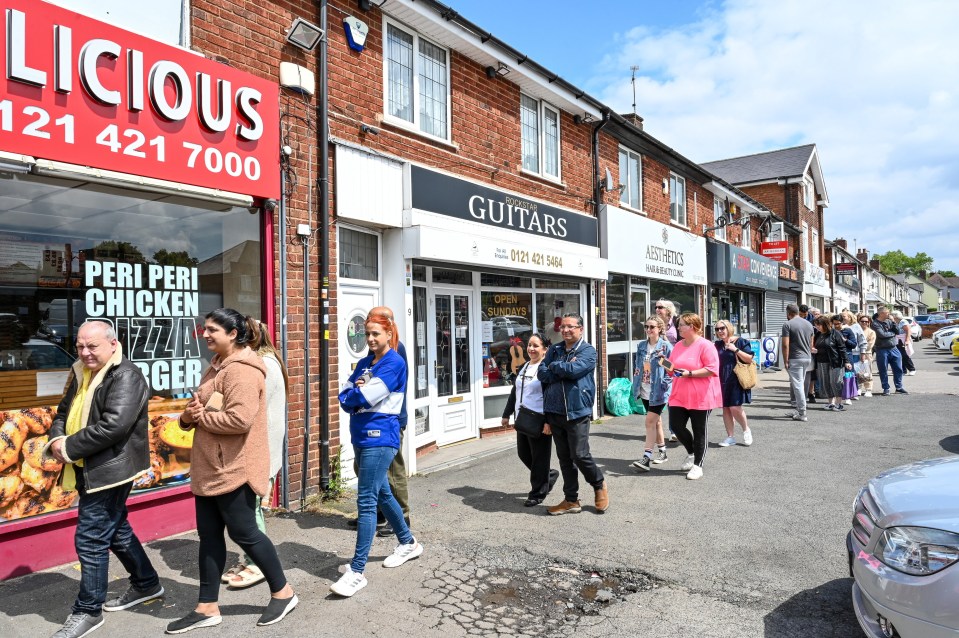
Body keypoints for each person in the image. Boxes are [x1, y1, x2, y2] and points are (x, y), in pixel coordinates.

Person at [169, 309, 297, 633]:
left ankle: (284, 593)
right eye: (205, 329)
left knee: (246, 534)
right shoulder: (215, 367)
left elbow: (240, 420)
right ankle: (207, 607)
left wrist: (200, 419)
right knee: (209, 537)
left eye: (213, 330)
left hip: (235, 468)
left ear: (233, 334)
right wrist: (187, 416)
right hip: (209, 468)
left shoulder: (243, 371)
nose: (206, 334)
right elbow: (197, 408)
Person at [46, 320, 164, 638]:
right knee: (114, 530)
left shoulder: (126, 375)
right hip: (86, 465)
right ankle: (147, 583)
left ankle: (88, 611)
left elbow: (114, 426)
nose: (85, 352)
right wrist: (57, 440)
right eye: (80, 345)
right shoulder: (80, 370)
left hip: (111, 470)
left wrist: (67, 447)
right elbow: (61, 413)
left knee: (90, 538)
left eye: (92, 346)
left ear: (113, 344)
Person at [333, 312, 422, 597]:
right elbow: (345, 395)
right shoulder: (363, 363)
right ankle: (408, 543)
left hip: (380, 438)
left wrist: (358, 392)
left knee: (367, 500)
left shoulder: (394, 362)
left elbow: (365, 397)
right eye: (367, 334)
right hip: (360, 435)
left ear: (388, 334)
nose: (370, 339)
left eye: (375, 334)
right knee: (383, 493)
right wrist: (355, 393)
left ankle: (357, 571)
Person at [222, 322, 290, 589]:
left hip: (262, 448)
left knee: (252, 509)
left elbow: (248, 410)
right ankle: (252, 557)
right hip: (262, 446)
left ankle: (257, 563)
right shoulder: (267, 362)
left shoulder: (263, 367)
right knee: (251, 507)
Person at [348, 306, 411, 538]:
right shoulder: (371, 356)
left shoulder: (395, 351)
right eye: (367, 327)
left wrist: (359, 394)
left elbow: (373, 391)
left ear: (389, 326)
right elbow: (351, 388)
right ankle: (380, 514)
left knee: (393, 471)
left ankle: (402, 517)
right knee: (367, 470)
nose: (371, 336)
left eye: (376, 327)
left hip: (388, 420)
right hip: (366, 423)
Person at [538, 313, 608, 515]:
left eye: (571, 327)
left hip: (577, 411)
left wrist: (556, 366)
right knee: (564, 458)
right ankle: (571, 500)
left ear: (581, 329)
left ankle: (598, 484)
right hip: (554, 410)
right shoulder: (555, 349)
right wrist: (559, 367)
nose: (566, 330)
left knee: (579, 454)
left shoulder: (588, 351)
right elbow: (542, 373)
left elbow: (575, 370)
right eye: (563, 327)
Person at [501, 333, 559, 506]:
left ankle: (538, 493)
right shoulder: (525, 366)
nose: (531, 349)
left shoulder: (546, 369)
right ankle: (548, 476)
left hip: (540, 419)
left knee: (540, 458)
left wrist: (549, 422)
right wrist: (506, 414)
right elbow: (515, 392)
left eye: (536, 346)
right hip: (523, 419)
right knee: (523, 453)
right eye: (529, 345)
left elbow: (551, 397)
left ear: (545, 349)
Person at [663, 313, 722, 480]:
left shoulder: (706, 346)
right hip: (679, 394)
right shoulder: (679, 345)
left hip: (701, 395)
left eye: (681, 325)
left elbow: (711, 369)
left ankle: (698, 465)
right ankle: (691, 452)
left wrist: (690, 373)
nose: (678, 327)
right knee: (676, 426)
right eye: (679, 324)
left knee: (699, 431)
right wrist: (664, 363)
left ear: (693, 327)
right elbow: (673, 368)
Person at [630, 315, 672, 471]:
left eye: (652, 327)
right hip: (644, 388)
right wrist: (636, 385)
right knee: (656, 421)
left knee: (649, 422)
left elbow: (672, 369)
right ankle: (662, 452)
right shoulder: (641, 345)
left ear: (659, 329)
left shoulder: (665, 346)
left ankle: (646, 458)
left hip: (658, 390)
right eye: (646, 327)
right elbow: (637, 367)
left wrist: (664, 384)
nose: (648, 330)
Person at [713, 319, 754, 447]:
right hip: (721, 379)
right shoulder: (717, 345)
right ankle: (730, 436)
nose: (720, 331)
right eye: (717, 329)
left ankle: (746, 429)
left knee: (735, 407)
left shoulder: (740, 341)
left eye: (722, 328)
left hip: (736, 378)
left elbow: (749, 359)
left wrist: (735, 350)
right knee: (726, 408)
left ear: (729, 328)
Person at [781, 304, 815, 422]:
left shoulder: (787, 324)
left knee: (798, 385)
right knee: (800, 384)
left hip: (795, 358)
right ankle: (800, 410)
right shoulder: (809, 324)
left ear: (788, 313)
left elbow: (785, 344)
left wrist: (785, 360)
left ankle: (802, 412)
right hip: (807, 357)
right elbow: (811, 344)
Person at [813, 315, 852, 411]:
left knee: (836, 382)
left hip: (835, 361)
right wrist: (815, 350)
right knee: (825, 383)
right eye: (816, 325)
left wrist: (846, 361)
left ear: (825, 324)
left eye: (819, 325)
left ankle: (839, 403)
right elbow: (818, 346)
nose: (817, 327)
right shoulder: (818, 334)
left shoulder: (836, 334)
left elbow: (842, 348)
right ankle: (831, 403)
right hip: (822, 362)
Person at [871, 306, 907, 396]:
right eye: (887, 312)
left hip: (894, 348)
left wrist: (894, 323)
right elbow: (882, 334)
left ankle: (899, 387)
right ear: (882, 313)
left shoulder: (890, 321)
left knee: (898, 368)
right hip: (882, 349)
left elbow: (898, 331)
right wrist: (893, 333)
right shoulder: (875, 324)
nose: (889, 314)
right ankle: (886, 388)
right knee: (883, 369)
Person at [837, 313, 861, 405]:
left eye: (838, 323)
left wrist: (845, 340)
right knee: (838, 377)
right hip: (836, 356)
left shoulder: (848, 330)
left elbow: (854, 344)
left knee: (849, 375)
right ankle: (839, 396)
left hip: (847, 355)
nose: (837, 325)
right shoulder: (832, 331)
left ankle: (850, 395)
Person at [891, 310, 916, 376]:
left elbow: (908, 331)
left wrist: (907, 340)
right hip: (897, 339)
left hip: (903, 339)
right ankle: (903, 370)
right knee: (898, 355)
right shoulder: (894, 322)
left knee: (905, 355)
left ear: (895, 316)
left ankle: (912, 369)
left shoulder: (903, 322)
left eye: (892, 315)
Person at [857, 314, 877, 398]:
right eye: (862, 321)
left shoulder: (871, 332)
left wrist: (862, 350)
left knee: (867, 372)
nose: (864, 323)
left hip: (867, 354)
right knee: (858, 371)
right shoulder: (857, 330)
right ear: (859, 322)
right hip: (856, 353)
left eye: (866, 321)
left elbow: (870, 344)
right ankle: (858, 388)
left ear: (869, 322)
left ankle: (868, 389)